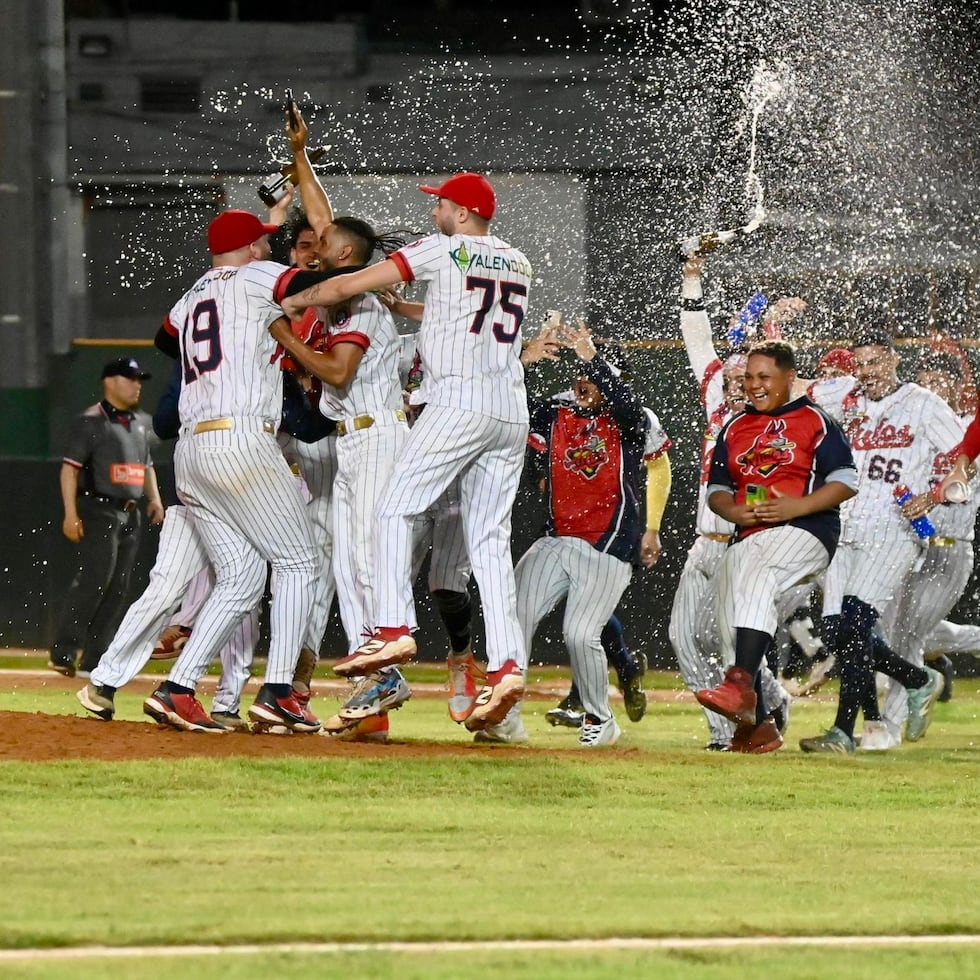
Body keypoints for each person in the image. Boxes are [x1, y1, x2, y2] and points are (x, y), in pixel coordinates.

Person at [280, 168, 532, 733]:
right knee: (490, 541)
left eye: (441, 203)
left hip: (457, 404)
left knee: (396, 509)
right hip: (508, 410)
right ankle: (509, 663)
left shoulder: (444, 249)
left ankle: (393, 628)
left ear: (462, 214)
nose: (434, 210)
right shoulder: (516, 259)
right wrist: (406, 312)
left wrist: (297, 300)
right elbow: (467, 318)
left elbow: (345, 285)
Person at [144, 208, 323, 734]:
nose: (269, 247)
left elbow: (164, 340)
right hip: (241, 439)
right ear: (248, 248)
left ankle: (178, 689)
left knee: (243, 576)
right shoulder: (256, 276)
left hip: (191, 453)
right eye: (263, 241)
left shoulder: (195, 292)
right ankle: (279, 692)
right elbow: (311, 283)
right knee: (298, 563)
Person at [269, 104, 413, 738]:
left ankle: (386, 669)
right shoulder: (345, 279)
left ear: (348, 253)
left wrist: (286, 337)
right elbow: (321, 215)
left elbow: (336, 375)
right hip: (356, 442)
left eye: (325, 243)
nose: (314, 242)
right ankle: (369, 700)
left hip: (377, 434)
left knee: (361, 560)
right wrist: (301, 156)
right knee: (347, 563)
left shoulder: (355, 289)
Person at [694, 340, 857, 753]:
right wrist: (733, 512)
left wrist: (797, 505)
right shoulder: (734, 426)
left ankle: (740, 688)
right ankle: (760, 725)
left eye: (764, 377)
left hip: (807, 529)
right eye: (749, 377)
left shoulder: (815, 420)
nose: (754, 385)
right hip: (750, 533)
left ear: (789, 378)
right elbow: (717, 489)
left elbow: (846, 480)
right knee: (729, 622)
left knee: (755, 567)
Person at [800, 329, 959, 753]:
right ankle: (917, 678)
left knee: (854, 622)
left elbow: (965, 452)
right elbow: (798, 388)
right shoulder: (846, 394)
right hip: (845, 525)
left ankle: (840, 733)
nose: (867, 372)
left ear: (892, 359)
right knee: (836, 633)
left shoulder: (922, 403)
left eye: (874, 362)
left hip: (893, 529)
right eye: (861, 364)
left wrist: (934, 494)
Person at [515, 320, 664, 746]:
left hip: (608, 545)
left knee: (580, 634)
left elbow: (629, 408)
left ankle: (600, 719)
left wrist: (593, 361)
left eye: (592, 375)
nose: (582, 382)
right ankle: (503, 715)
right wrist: (520, 363)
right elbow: (514, 413)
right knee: (515, 616)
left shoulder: (632, 419)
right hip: (557, 539)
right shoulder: (555, 410)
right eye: (577, 374)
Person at [668, 255, 793, 750]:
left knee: (728, 647)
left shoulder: (773, 426)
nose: (737, 385)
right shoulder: (718, 407)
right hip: (704, 542)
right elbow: (697, 339)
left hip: (741, 548)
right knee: (682, 638)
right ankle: (762, 708)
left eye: (748, 380)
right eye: (733, 378)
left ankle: (744, 726)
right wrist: (692, 279)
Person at [47, 357, 165, 678]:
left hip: (131, 512)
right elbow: (69, 469)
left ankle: (95, 658)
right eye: (129, 378)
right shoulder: (90, 421)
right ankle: (64, 651)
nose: (137, 384)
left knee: (118, 587)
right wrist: (70, 513)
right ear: (109, 382)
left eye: (139, 379)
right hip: (99, 509)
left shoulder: (141, 422)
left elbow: (147, 464)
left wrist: (153, 498)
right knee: (95, 580)